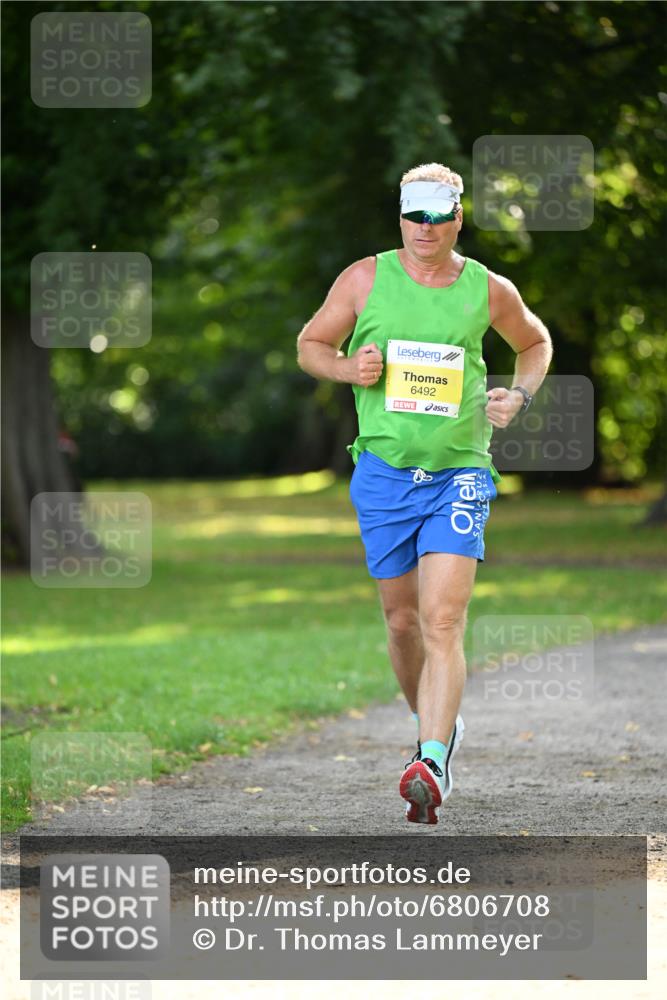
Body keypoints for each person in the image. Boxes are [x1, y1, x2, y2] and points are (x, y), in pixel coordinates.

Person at [296, 163, 552, 825]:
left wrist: (516, 396)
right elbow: (310, 344)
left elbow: (535, 342)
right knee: (402, 622)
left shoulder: (486, 289)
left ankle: (431, 758)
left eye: (439, 217)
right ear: (400, 216)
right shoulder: (364, 278)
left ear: (458, 217)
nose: (426, 229)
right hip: (382, 474)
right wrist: (348, 366)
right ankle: (432, 722)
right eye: (415, 216)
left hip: (459, 471)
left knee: (441, 619)